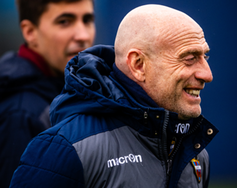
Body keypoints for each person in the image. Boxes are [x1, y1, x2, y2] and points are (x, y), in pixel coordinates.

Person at [10, 4, 218, 188]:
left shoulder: (196, 152)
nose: (206, 74)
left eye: (204, 56)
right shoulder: (67, 148)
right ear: (138, 65)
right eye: (189, 58)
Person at [0, 0, 95, 187]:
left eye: (87, 20)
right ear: (30, 32)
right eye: (64, 21)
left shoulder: (72, 89)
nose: (83, 35)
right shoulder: (20, 115)